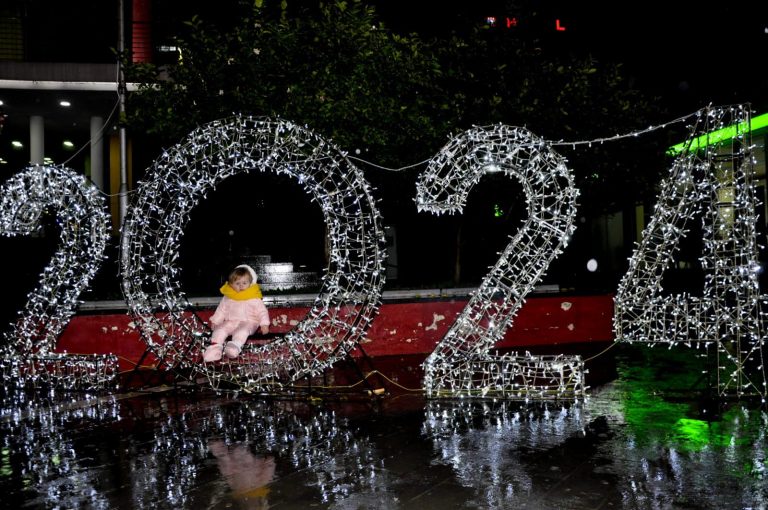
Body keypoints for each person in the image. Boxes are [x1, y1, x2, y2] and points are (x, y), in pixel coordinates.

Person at [203, 264, 270, 362]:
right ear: (231, 284)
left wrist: (264, 324)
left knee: (242, 331)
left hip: (249, 322)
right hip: (231, 321)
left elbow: (262, 312)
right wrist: (216, 321)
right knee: (219, 330)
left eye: (244, 283)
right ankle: (214, 349)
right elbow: (221, 309)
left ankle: (234, 346)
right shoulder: (228, 297)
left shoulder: (254, 297)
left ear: (250, 283)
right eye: (237, 283)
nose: (241, 286)